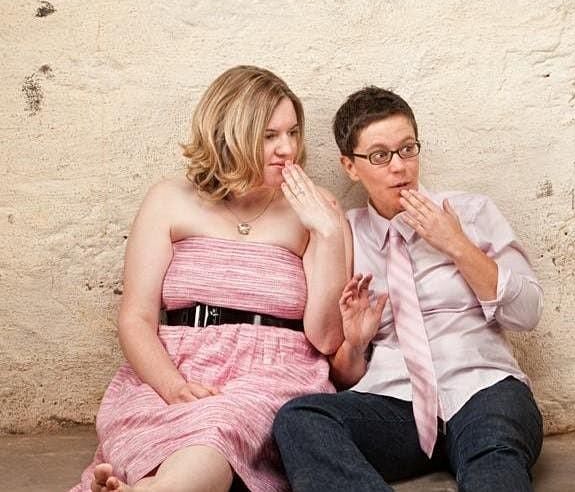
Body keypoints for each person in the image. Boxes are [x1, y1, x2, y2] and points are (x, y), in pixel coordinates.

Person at [72, 65, 350, 492]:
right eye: (269, 136)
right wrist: (172, 386)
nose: (288, 148)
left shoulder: (317, 209)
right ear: (229, 136)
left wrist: (327, 234)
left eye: (293, 133)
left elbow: (327, 338)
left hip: (273, 373)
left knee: (217, 427)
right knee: (169, 436)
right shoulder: (169, 199)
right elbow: (136, 318)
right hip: (174, 363)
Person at [273, 86, 544, 491]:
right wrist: (355, 344)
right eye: (380, 156)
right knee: (300, 420)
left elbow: (527, 313)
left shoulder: (471, 211)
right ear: (350, 166)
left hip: (483, 388)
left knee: (495, 464)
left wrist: (456, 244)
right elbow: (343, 373)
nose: (399, 167)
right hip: (395, 403)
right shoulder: (348, 234)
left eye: (407, 149)